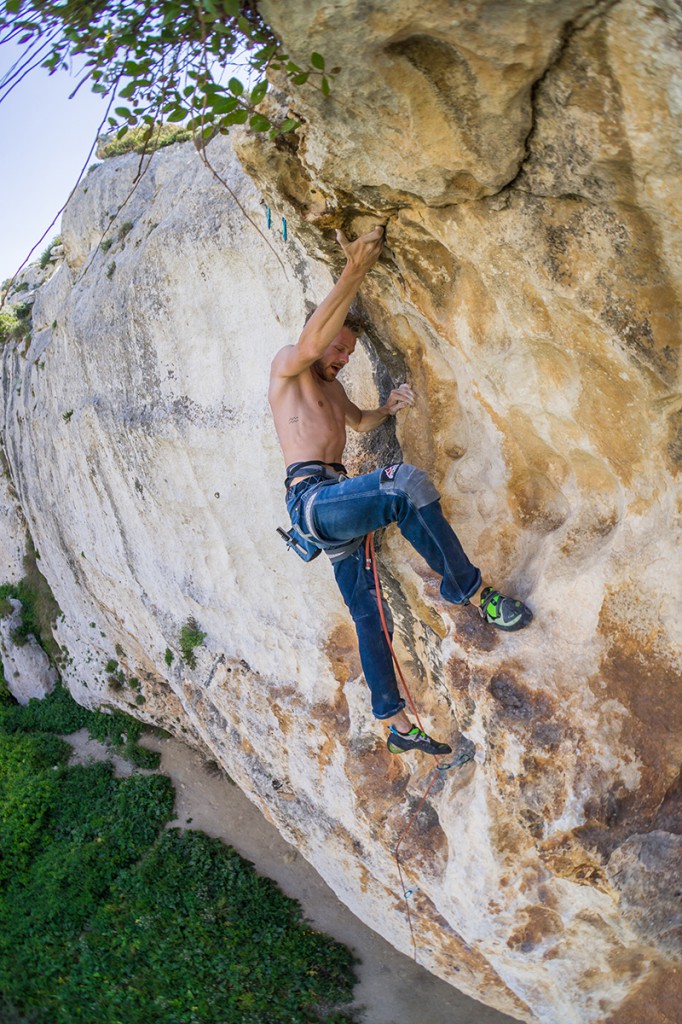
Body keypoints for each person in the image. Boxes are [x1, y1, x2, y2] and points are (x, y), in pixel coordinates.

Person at [268, 225, 532, 757]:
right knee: (406, 484)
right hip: (313, 503)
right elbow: (312, 342)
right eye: (337, 348)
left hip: (336, 503)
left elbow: (361, 423)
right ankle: (474, 593)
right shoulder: (287, 368)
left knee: (371, 614)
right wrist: (356, 267)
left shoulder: (333, 387)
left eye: (348, 354)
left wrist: (389, 407)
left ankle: (393, 720)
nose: (340, 358)